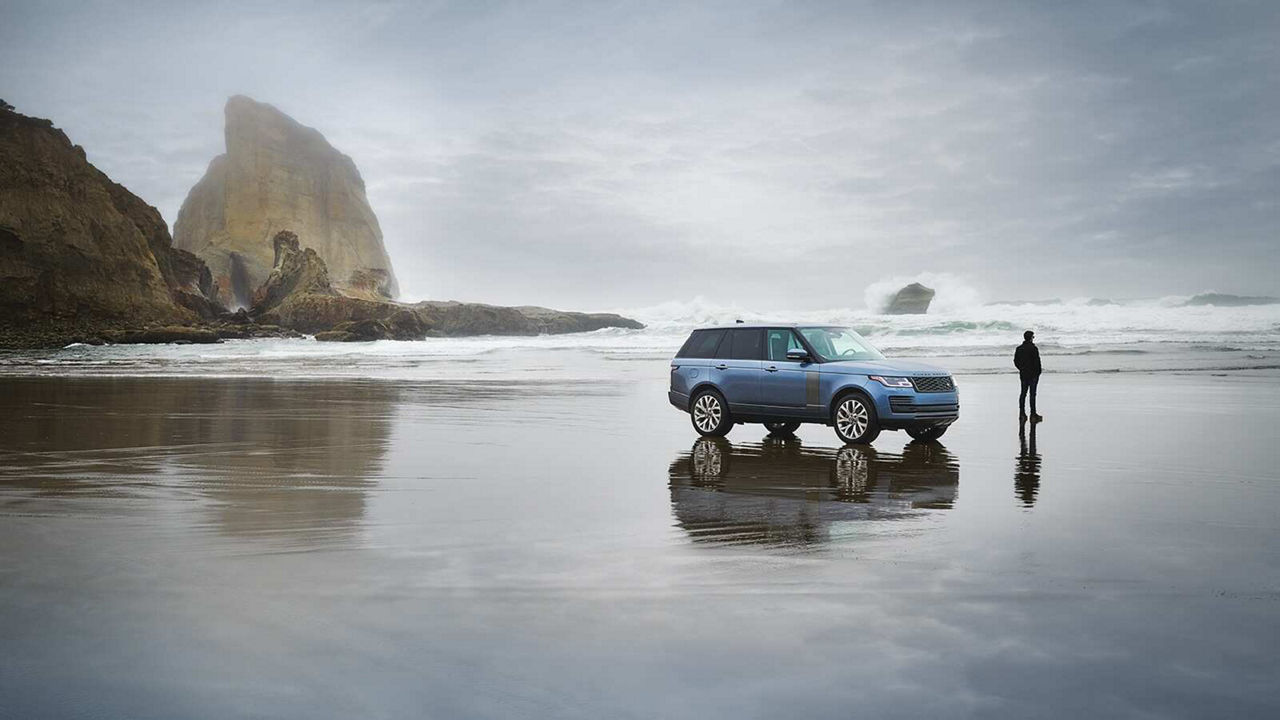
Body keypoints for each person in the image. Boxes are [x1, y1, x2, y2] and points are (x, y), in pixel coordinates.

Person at [1014, 330, 1042, 421]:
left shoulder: (1019, 348)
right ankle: (1033, 414)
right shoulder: (1034, 348)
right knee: (1032, 395)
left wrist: (1021, 368)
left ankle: (1022, 413)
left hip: (1023, 374)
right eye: (1033, 337)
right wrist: (1038, 372)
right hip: (1033, 375)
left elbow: (1016, 361)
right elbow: (1037, 362)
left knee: (1023, 394)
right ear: (1031, 338)